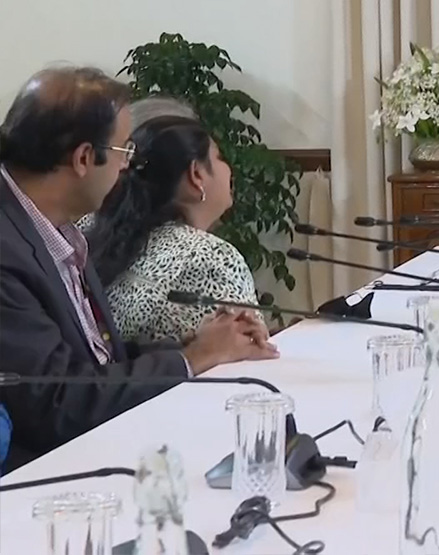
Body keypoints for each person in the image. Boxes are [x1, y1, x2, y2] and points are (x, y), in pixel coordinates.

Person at [0, 67, 277, 469]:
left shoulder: (58, 228)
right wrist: (191, 359)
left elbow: (97, 364)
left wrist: (193, 347)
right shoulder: (7, 250)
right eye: (123, 151)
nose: (128, 167)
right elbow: (57, 404)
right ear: (83, 158)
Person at [86, 112, 258, 343]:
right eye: (220, 157)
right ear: (196, 175)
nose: (229, 169)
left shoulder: (101, 230)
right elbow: (251, 347)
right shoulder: (213, 258)